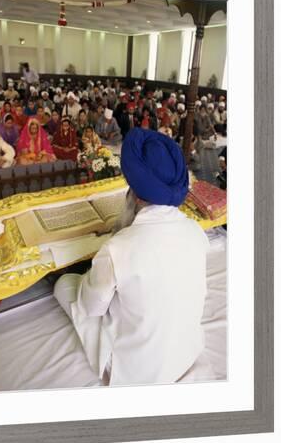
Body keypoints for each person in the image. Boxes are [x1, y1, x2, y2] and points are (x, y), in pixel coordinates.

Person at [53, 128, 210, 386]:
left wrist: (95, 277)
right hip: (187, 352)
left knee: (64, 285)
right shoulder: (195, 231)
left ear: (135, 195)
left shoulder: (119, 248)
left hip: (139, 370)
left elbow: (91, 307)